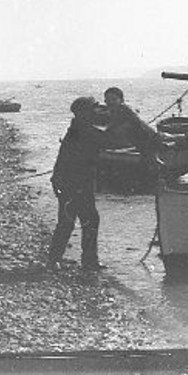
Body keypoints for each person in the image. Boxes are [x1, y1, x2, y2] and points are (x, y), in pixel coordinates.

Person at [47, 96, 116, 270]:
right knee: (72, 221)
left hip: (75, 183)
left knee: (81, 220)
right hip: (73, 184)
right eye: (93, 109)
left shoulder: (78, 128)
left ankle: (66, 259)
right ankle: (63, 260)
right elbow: (106, 140)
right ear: (84, 112)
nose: (96, 112)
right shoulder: (83, 130)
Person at [102, 87, 162, 162]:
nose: (110, 102)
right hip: (140, 141)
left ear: (121, 100)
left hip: (149, 140)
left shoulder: (125, 112)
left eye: (114, 99)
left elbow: (121, 127)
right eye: (108, 100)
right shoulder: (113, 111)